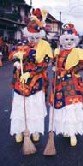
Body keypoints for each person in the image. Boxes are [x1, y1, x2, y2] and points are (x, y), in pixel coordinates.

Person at [10, 8, 53, 143]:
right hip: (20, 81)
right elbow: (12, 55)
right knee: (20, 107)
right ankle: (20, 130)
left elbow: (45, 64)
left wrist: (31, 73)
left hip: (36, 81)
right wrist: (16, 59)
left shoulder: (45, 45)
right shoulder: (21, 43)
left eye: (35, 37)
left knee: (34, 107)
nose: (33, 40)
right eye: (30, 37)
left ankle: (34, 131)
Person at [48, 23, 83, 146]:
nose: (69, 42)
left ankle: (72, 133)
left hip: (72, 83)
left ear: (75, 40)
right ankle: (65, 130)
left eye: (72, 39)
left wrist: (73, 70)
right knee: (62, 107)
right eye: (66, 39)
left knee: (72, 107)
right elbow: (55, 66)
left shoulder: (78, 51)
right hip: (60, 83)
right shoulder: (58, 52)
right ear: (62, 40)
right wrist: (55, 65)